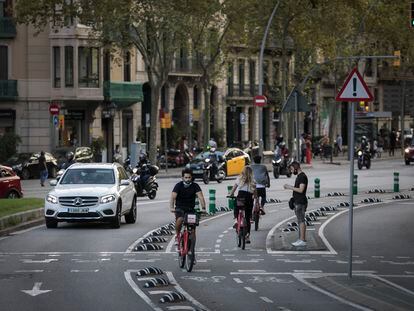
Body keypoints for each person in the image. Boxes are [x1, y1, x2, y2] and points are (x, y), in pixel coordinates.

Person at [170, 168, 206, 245]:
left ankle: (192, 246)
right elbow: (173, 197)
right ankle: (177, 235)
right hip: (180, 208)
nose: (187, 179)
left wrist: (203, 208)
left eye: (189, 177)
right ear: (182, 178)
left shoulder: (195, 186)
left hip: (190, 209)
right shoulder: (178, 185)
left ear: (191, 177)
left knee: (193, 228)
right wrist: (172, 207)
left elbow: (201, 197)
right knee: (179, 220)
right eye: (186, 177)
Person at [228, 166, 258, 244]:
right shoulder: (253, 181)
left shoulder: (239, 179)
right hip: (249, 200)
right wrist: (255, 197)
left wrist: (230, 194)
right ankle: (247, 236)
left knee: (236, 206)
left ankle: (236, 220)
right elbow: (255, 194)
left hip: (241, 198)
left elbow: (233, 189)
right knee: (247, 218)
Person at [283, 161, 308, 247]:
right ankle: (300, 239)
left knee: (301, 221)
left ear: (296, 168)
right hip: (298, 201)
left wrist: (289, 187)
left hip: (301, 202)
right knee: (300, 221)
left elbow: (301, 190)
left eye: (292, 169)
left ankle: (302, 240)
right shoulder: (299, 176)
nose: (291, 171)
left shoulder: (302, 177)